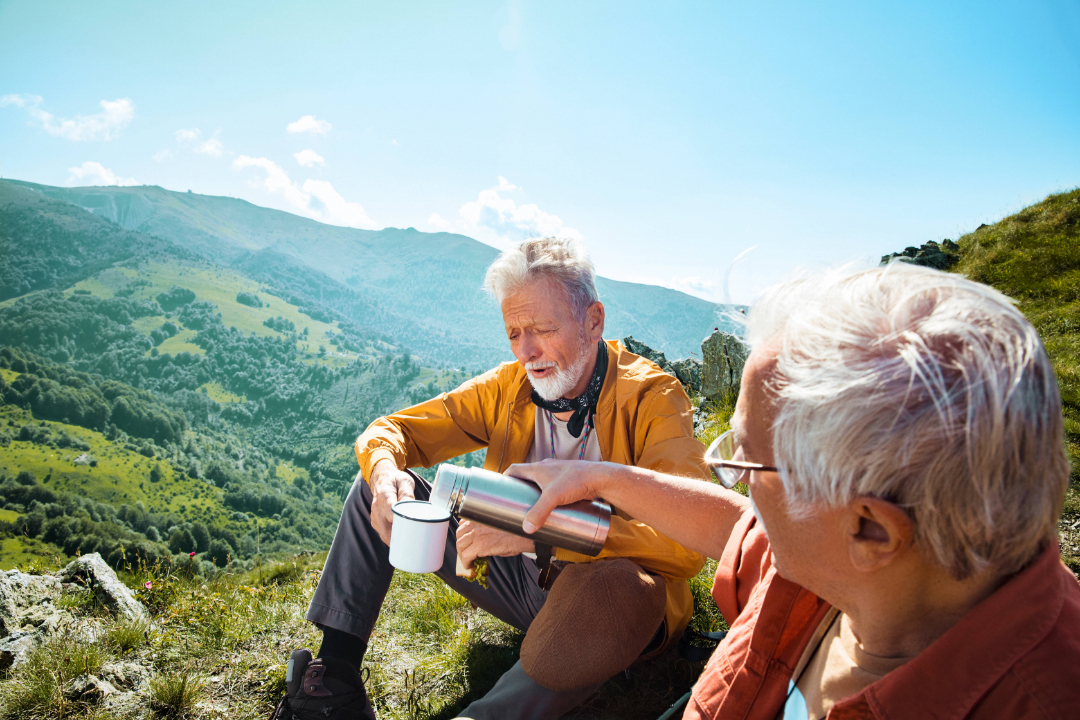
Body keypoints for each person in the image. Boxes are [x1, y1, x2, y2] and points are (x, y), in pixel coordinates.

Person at [513, 263, 1080, 719]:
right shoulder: (848, 571)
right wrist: (601, 477)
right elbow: (735, 528)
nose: (735, 481)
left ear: (872, 529)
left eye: (750, 466)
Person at [272, 237, 711, 720]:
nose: (528, 351)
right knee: (378, 492)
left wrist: (537, 527)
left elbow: (689, 546)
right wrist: (382, 472)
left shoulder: (653, 398)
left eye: (543, 328)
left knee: (611, 593)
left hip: (613, 590)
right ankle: (334, 682)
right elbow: (393, 431)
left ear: (593, 320)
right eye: (513, 333)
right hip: (520, 580)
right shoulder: (509, 387)